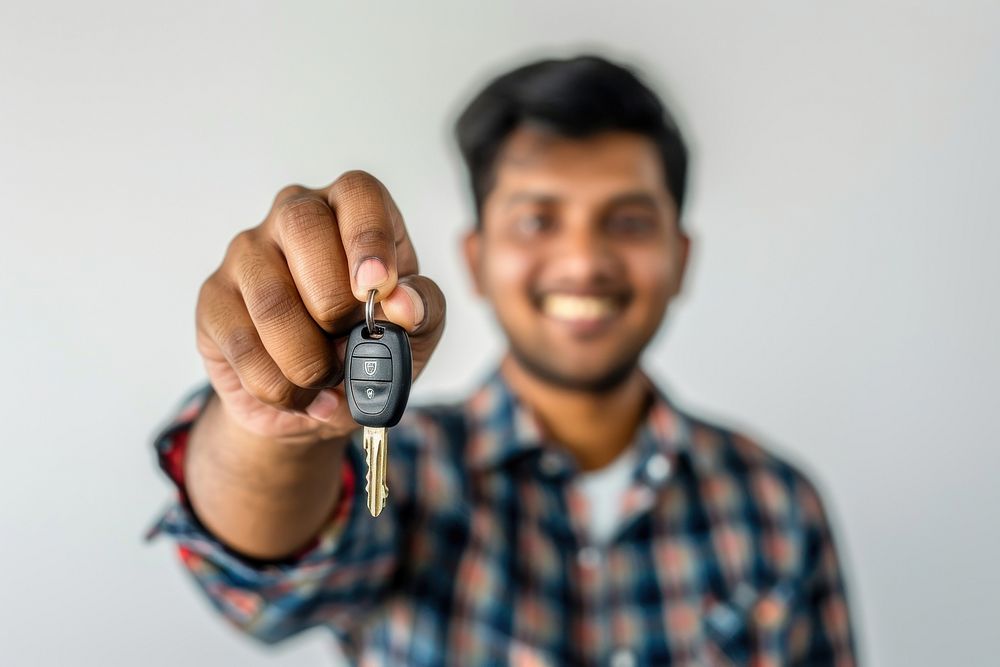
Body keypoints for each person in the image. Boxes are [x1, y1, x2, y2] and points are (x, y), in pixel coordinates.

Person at [144, 55, 858, 666]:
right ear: (477, 260)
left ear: (681, 258)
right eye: (537, 220)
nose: (583, 260)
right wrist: (271, 429)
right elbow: (263, 592)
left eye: (630, 220)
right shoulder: (401, 468)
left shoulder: (776, 504)